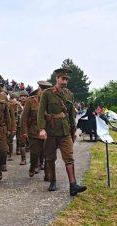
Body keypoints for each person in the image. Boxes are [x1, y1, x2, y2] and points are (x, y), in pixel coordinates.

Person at [37, 68, 87, 196]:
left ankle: (73, 185)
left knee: (69, 157)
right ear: (57, 79)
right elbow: (41, 112)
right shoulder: (47, 93)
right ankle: (52, 181)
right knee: (50, 157)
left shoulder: (69, 94)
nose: (65, 81)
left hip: (65, 131)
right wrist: (41, 129)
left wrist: (73, 130)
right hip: (51, 130)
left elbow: (71, 114)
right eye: (62, 79)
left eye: (66, 79)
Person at [21, 80, 52, 177]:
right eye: (42, 89)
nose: (43, 91)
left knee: (47, 153)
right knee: (35, 152)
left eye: (46, 89)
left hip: (47, 131)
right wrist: (24, 131)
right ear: (38, 89)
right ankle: (33, 165)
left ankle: (47, 175)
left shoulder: (51, 102)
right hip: (33, 131)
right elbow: (24, 117)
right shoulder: (30, 101)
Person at [17, 90, 29, 165]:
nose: (23, 98)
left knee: (34, 145)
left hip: (29, 127)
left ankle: (37, 162)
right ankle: (23, 159)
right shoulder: (17, 106)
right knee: (21, 143)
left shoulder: (30, 104)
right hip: (20, 127)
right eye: (21, 96)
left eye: (25, 96)